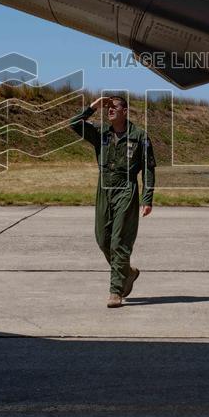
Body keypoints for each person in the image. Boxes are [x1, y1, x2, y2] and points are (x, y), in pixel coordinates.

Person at [70, 95, 156, 308]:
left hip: (126, 189)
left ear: (125, 111)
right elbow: (74, 124)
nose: (109, 110)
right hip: (104, 190)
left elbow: (148, 169)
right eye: (107, 107)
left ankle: (115, 291)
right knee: (102, 239)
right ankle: (127, 272)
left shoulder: (139, 136)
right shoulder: (100, 133)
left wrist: (147, 198)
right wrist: (93, 107)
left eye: (113, 107)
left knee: (119, 242)